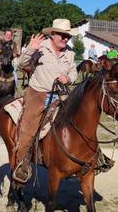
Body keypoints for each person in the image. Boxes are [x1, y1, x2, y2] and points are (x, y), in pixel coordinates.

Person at [12, 18, 77, 184]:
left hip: (61, 93)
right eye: (62, 35)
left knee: (80, 117)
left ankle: (90, 157)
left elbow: (74, 72)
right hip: (38, 93)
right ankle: (22, 164)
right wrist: (30, 50)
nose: (65, 39)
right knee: (28, 127)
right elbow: (21, 64)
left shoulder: (70, 53)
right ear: (53, 34)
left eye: (67, 36)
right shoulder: (40, 47)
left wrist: (68, 78)